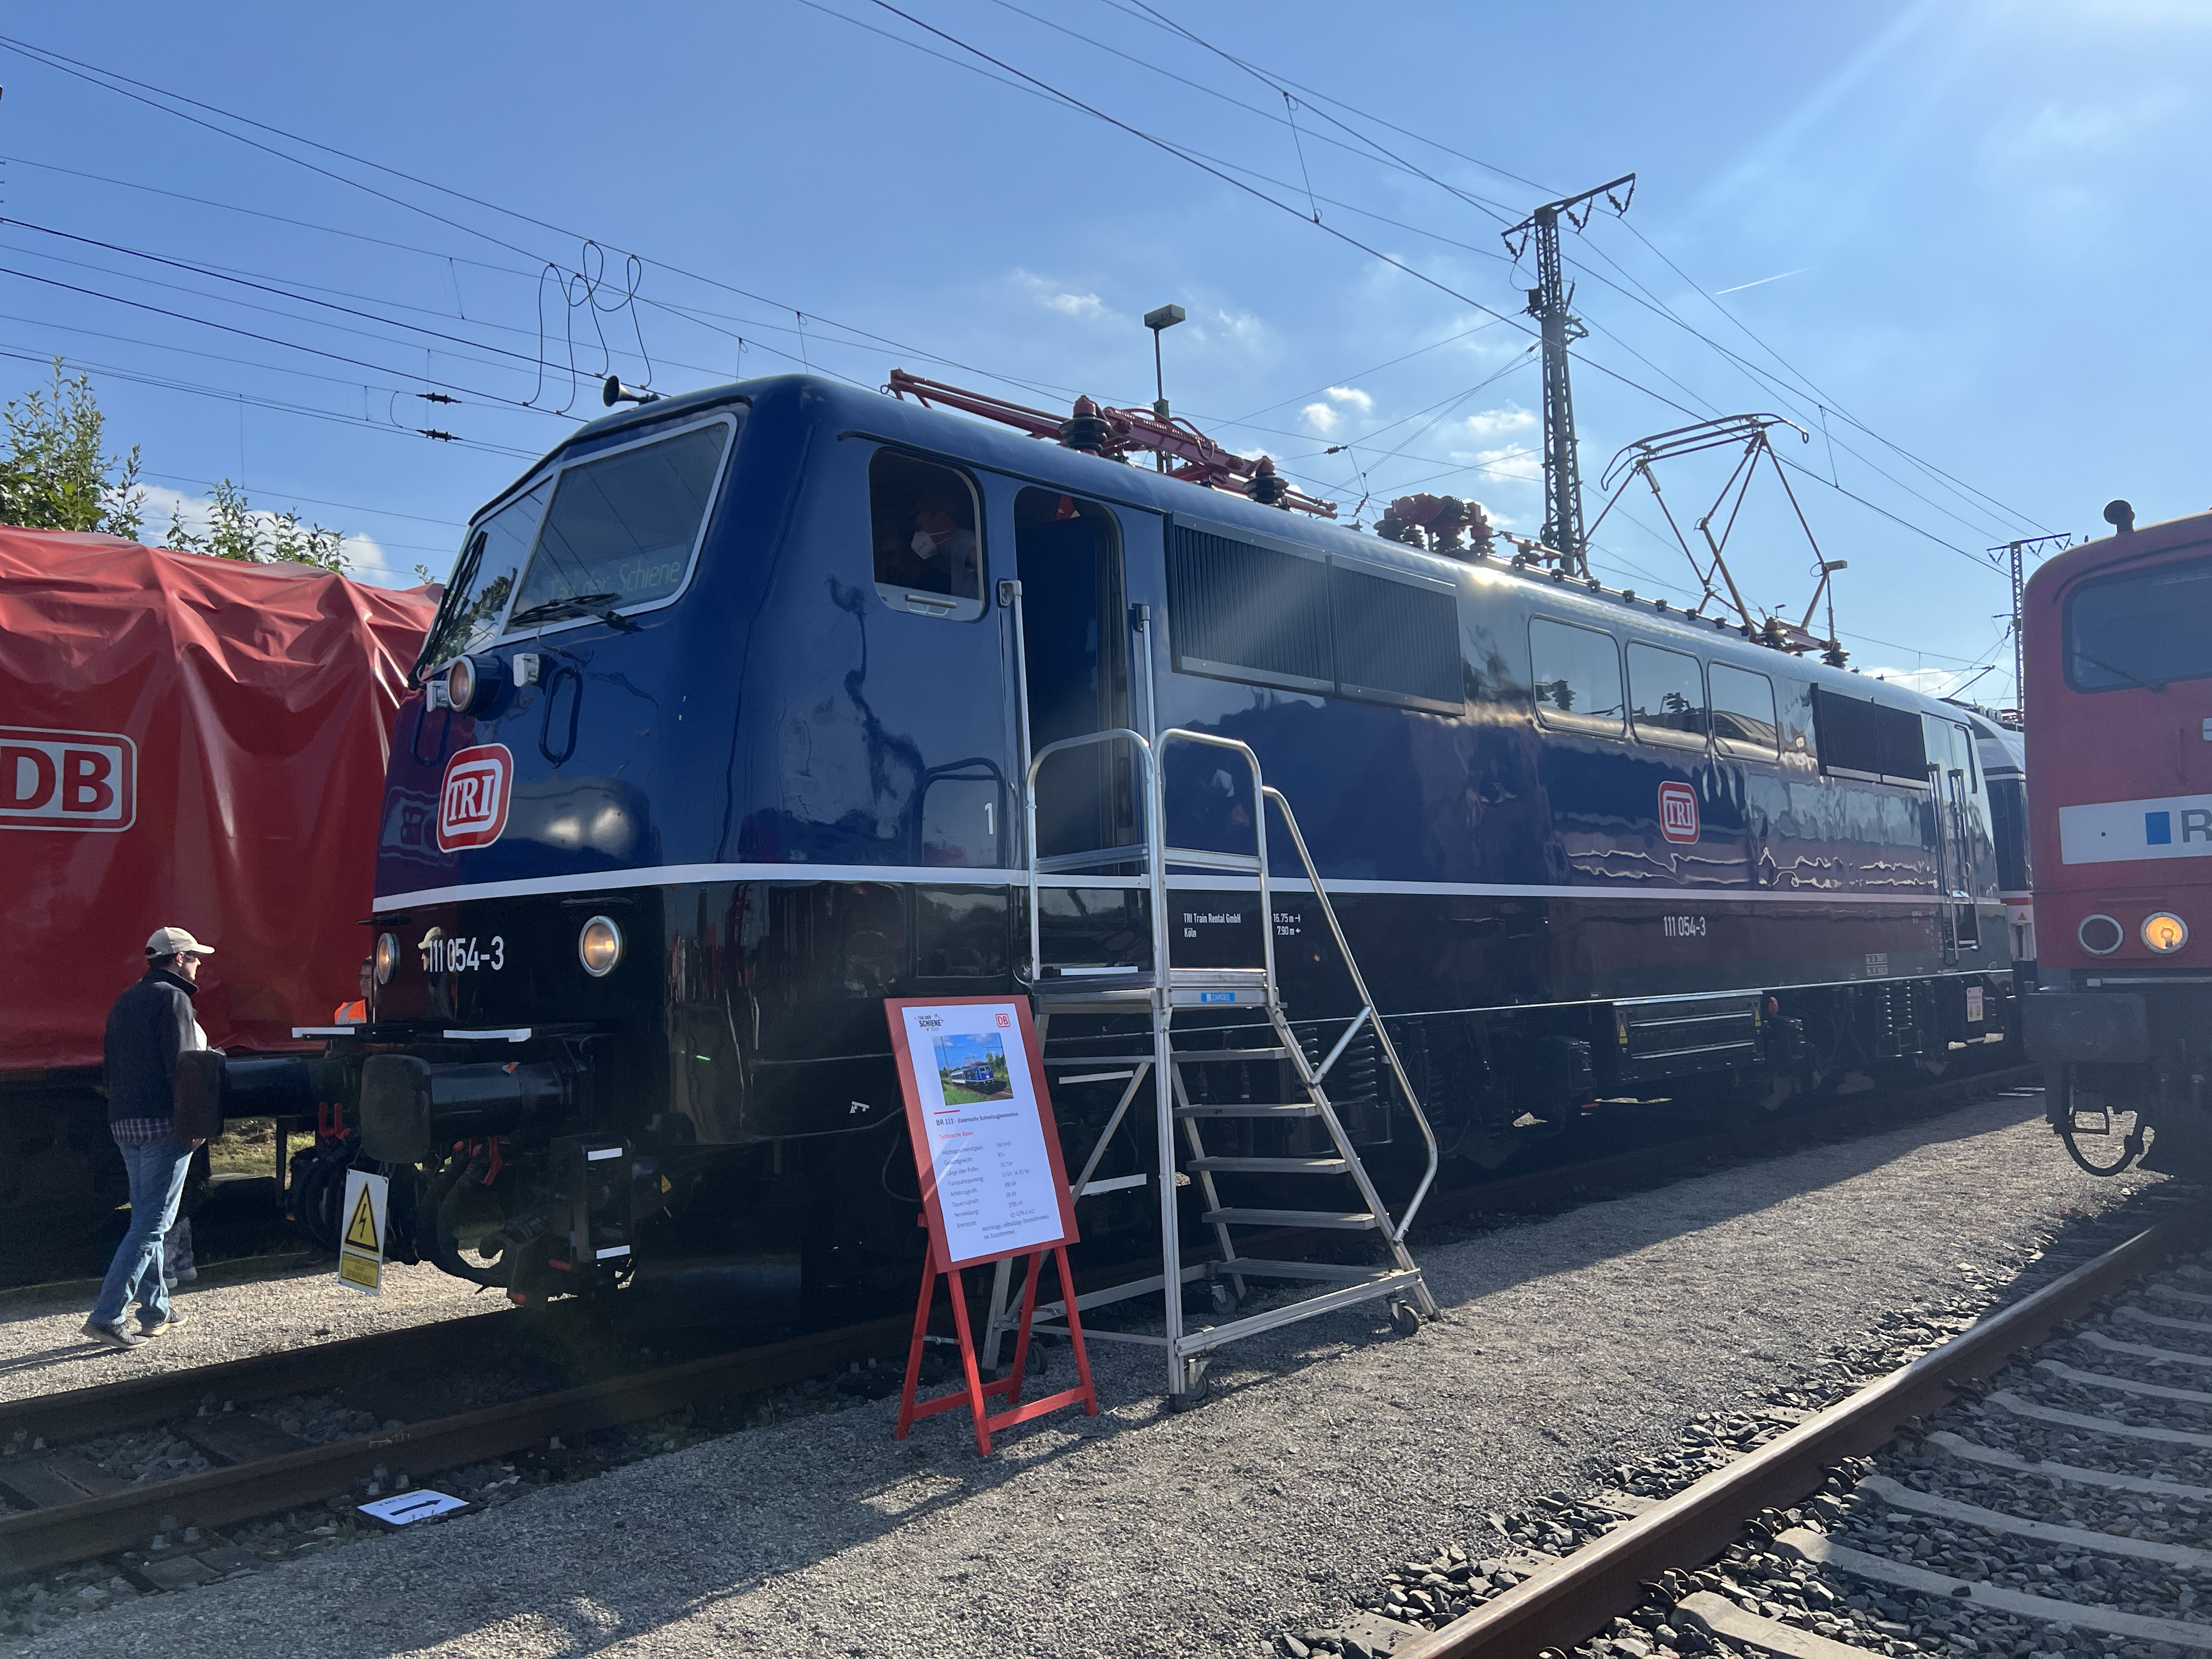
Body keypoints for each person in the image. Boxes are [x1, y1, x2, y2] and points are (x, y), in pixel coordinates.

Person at [83, 927, 215, 1350]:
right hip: (163, 1126)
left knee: (145, 1218)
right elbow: (183, 1068)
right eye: (194, 956)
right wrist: (195, 1124)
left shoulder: (125, 999)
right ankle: (107, 1316)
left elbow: (109, 1066)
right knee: (153, 1225)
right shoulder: (175, 999)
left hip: (125, 1124)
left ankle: (156, 1310)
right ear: (178, 959)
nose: (199, 963)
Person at [333, 957, 373, 1024]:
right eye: (361, 977)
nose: (362, 983)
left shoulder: (391, 1012)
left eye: (368, 978)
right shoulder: (344, 1013)